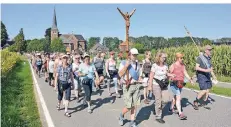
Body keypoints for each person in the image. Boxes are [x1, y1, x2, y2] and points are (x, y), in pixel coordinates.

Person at [118, 48, 142, 127]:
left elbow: (139, 76)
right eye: (133, 55)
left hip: (136, 85)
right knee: (129, 106)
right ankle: (121, 115)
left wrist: (142, 80)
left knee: (134, 105)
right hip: (127, 86)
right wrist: (126, 66)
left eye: (136, 55)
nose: (135, 56)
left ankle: (132, 122)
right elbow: (119, 75)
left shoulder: (137, 64)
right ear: (129, 55)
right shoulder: (123, 62)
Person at [149, 51, 175, 123]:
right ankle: (158, 116)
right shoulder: (154, 65)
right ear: (159, 57)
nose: (164, 58)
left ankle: (157, 108)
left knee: (166, 100)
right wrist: (149, 86)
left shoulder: (166, 65)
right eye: (163, 57)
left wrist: (171, 75)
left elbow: (166, 73)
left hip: (164, 84)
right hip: (156, 84)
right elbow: (151, 76)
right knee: (158, 100)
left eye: (165, 57)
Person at [169, 53, 194, 120]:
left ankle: (171, 108)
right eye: (181, 58)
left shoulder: (183, 65)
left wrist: (190, 80)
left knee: (175, 96)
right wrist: (171, 77)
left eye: (183, 58)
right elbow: (168, 74)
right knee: (178, 96)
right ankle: (180, 113)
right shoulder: (173, 65)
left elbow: (185, 73)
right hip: (174, 84)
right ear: (177, 58)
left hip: (180, 83)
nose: (182, 59)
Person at [193, 45, 217, 110]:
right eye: (209, 50)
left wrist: (213, 75)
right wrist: (206, 70)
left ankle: (203, 102)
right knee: (203, 90)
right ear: (205, 50)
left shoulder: (209, 58)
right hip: (201, 76)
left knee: (207, 90)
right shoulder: (200, 58)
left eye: (211, 50)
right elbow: (197, 68)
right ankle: (196, 101)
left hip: (207, 75)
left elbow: (210, 68)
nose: (210, 51)